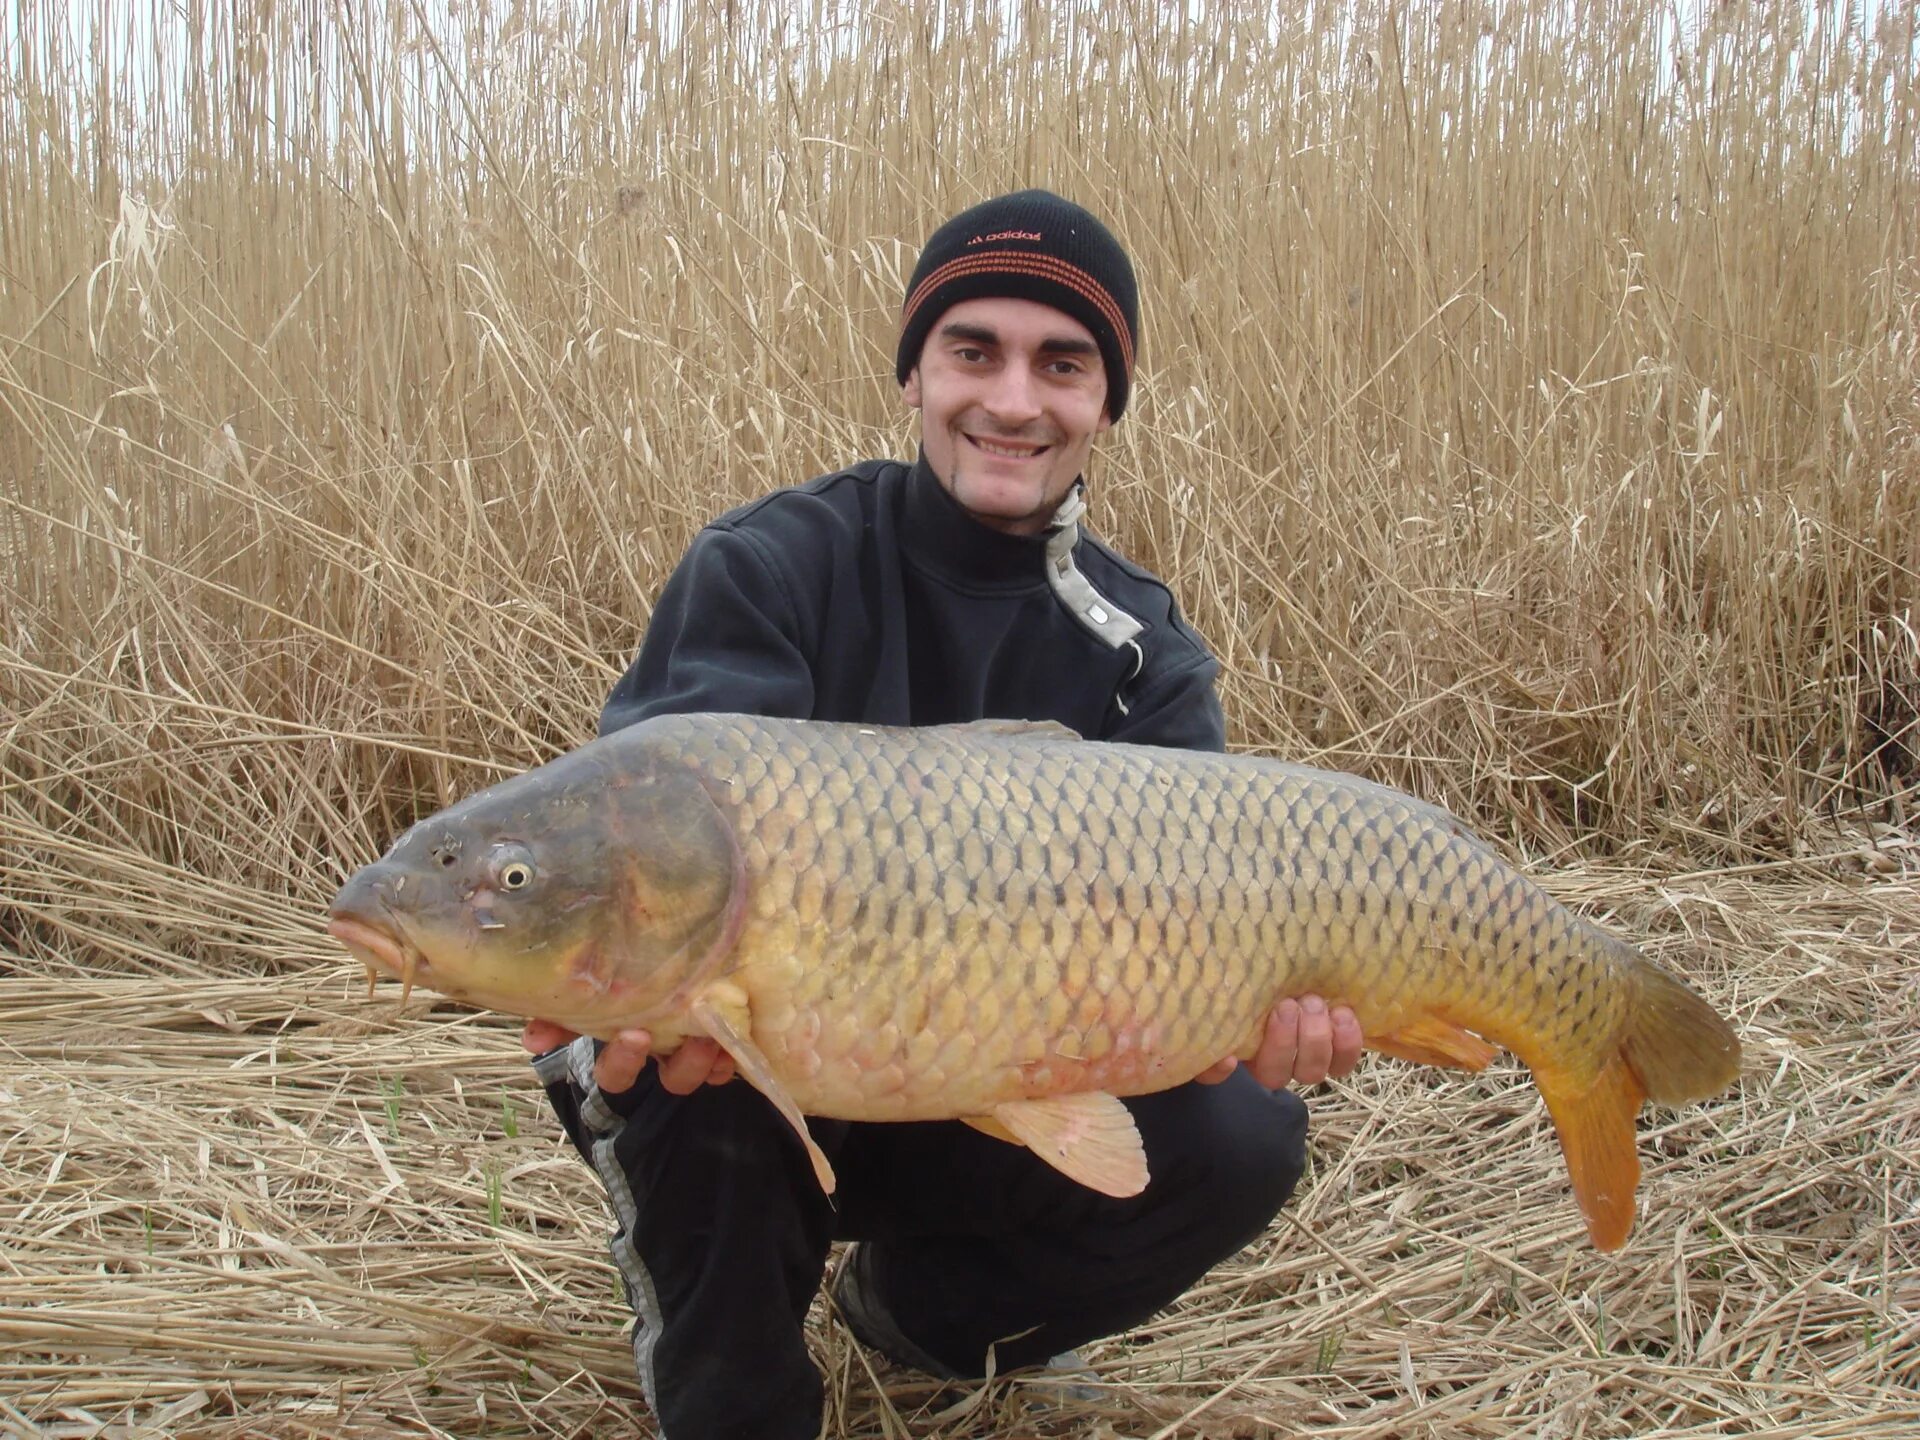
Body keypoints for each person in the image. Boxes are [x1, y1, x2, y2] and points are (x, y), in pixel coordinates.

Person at [523, 190, 1364, 1440]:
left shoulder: (1145, 656)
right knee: (707, 1071)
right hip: (757, 1060)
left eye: (1062, 365)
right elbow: (651, 838)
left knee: (1241, 1135)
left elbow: (1204, 943)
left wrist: (1255, 1012)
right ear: (914, 371)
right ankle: (734, 1390)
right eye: (974, 351)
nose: (1014, 402)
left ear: (1104, 404)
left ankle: (921, 1319)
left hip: (1000, 1067)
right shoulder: (768, 568)